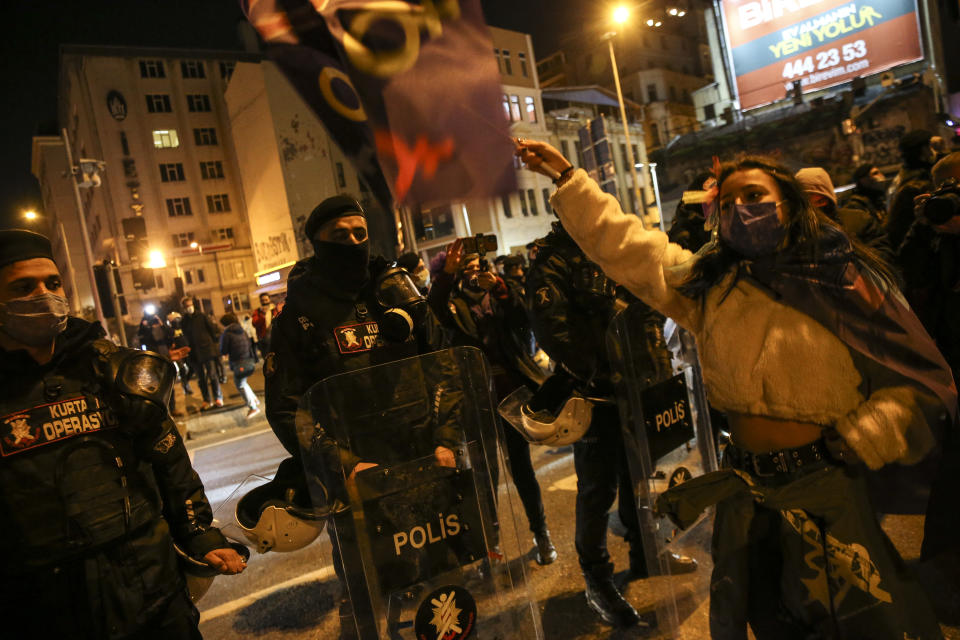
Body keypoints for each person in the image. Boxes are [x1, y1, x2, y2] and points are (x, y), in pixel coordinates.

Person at [516, 139, 955, 639]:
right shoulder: (710, 286)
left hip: (826, 488)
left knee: (854, 621)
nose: (739, 210)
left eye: (752, 196)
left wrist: (864, 434)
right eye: (726, 204)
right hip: (747, 492)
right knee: (770, 618)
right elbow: (628, 248)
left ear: (788, 203)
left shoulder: (841, 278)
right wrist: (568, 176)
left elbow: (913, 383)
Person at [0, 229, 246, 639]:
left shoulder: (105, 367)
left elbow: (168, 457)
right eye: (23, 287)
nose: (43, 294)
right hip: (47, 608)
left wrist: (199, 533)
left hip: (151, 589)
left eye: (52, 283)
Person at [263, 195, 446, 639]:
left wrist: (447, 436)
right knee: (366, 601)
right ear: (317, 243)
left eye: (360, 234)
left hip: (420, 463)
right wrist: (343, 465)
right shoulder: (297, 319)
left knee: (438, 595)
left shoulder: (392, 293)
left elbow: (444, 365)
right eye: (339, 236)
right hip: (356, 480)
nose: (353, 243)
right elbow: (289, 409)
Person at [525, 212, 697, 628]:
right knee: (597, 492)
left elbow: (650, 303)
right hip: (596, 394)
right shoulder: (553, 260)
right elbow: (553, 332)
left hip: (640, 388)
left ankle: (647, 553)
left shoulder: (612, 250)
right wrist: (603, 372)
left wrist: (652, 361)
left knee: (641, 475)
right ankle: (598, 581)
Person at [428, 239, 556, 565]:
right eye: (466, 269)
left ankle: (541, 534)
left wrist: (499, 287)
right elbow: (433, 305)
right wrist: (447, 273)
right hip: (476, 402)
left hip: (509, 397)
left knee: (523, 472)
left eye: (478, 267)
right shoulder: (452, 304)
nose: (474, 274)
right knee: (485, 479)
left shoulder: (499, 297)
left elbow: (523, 317)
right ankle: (491, 548)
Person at [796, 166, 895, 265]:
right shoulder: (798, 232)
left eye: (806, 197)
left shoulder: (859, 219)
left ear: (823, 199)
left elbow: (884, 254)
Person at [887, 129, 937, 251]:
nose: (933, 151)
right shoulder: (918, 184)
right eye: (930, 146)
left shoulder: (901, 178)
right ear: (922, 151)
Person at [179, 296, 223, 411]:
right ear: (183, 308)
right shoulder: (184, 321)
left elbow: (212, 330)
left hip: (207, 350)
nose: (189, 307)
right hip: (194, 353)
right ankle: (206, 400)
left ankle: (218, 398)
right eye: (186, 306)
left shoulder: (202, 316)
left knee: (212, 375)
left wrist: (214, 345)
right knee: (201, 379)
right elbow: (185, 336)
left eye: (190, 305)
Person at [219, 312, 261, 419]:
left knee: (240, 384)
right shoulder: (242, 330)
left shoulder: (227, 334)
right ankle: (255, 399)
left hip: (239, 362)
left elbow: (223, 350)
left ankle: (253, 407)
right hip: (249, 360)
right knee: (243, 382)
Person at [251, 293, 278, 358]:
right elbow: (254, 323)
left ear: (269, 299)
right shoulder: (257, 311)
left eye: (266, 300)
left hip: (276, 336)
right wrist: (263, 314)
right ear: (260, 301)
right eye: (262, 300)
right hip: (263, 338)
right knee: (267, 357)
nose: (265, 302)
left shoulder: (274, 309)